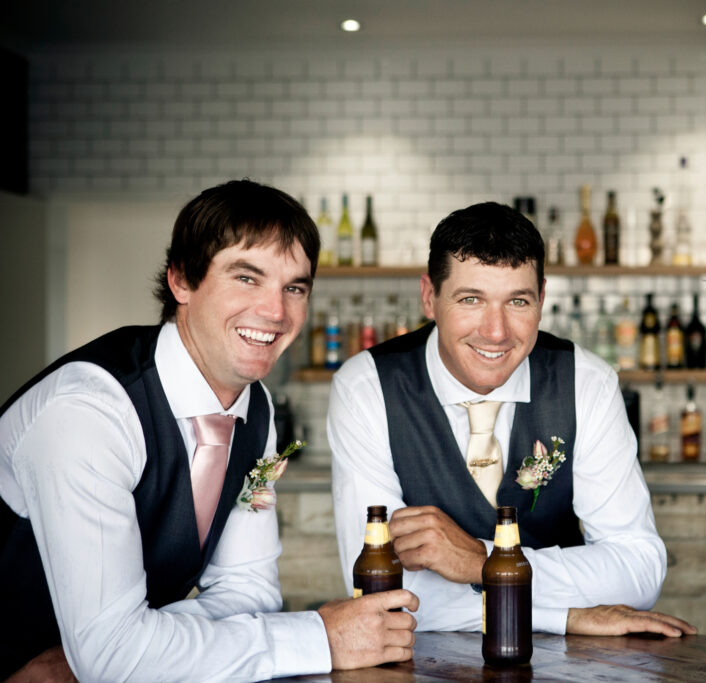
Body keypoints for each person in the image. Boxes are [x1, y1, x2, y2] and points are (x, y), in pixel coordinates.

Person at [0, 180, 418, 682]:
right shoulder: (89, 411)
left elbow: (250, 593)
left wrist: (125, 650)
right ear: (181, 281)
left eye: (294, 288)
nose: (276, 312)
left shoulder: (256, 409)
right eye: (246, 278)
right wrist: (317, 639)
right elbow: (114, 656)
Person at [328, 201, 694, 637]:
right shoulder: (367, 386)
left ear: (542, 298)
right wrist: (567, 617)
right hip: (422, 662)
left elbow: (639, 570)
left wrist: (481, 562)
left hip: (565, 664)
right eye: (471, 299)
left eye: (518, 301)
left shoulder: (586, 381)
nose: (496, 331)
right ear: (429, 297)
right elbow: (380, 593)